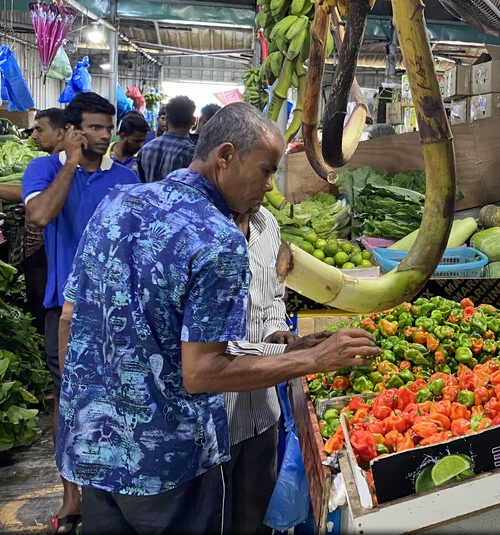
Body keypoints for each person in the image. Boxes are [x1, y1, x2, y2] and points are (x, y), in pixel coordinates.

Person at [55, 103, 379, 534]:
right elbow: (202, 371)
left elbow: (73, 317)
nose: (269, 187)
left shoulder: (118, 204)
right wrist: (317, 359)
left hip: (93, 451)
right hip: (166, 466)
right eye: (265, 171)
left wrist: (281, 346)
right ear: (224, 156)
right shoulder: (217, 237)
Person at [22, 92, 140, 535]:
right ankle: (71, 496)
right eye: (93, 127)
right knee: (69, 402)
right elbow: (38, 215)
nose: (104, 136)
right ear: (73, 130)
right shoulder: (46, 170)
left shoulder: (126, 180)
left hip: (117, 312)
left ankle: (112, 487)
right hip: (65, 311)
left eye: (108, 128)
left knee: (116, 399)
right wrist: (69, 163)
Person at [224, 204, 311, 535]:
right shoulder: (204, 231)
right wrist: (290, 354)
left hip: (262, 413)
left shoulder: (267, 225)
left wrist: (276, 330)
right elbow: (209, 350)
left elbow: (275, 296)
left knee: (257, 519)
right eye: (263, 171)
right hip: (217, 419)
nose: (269, 185)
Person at [0, 108, 68, 334]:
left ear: (60, 133)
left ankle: (53, 357)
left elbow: (24, 192)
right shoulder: (53, 162)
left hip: (50, 249)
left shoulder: (60, 165)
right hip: (47, 247)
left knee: (47, 308)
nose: (33, 136)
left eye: (39, 129)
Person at [135, 95, 196, 183]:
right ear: (193, 120)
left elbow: (141, 183)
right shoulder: (191, 153)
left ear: (166, 119)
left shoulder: (146, 148)